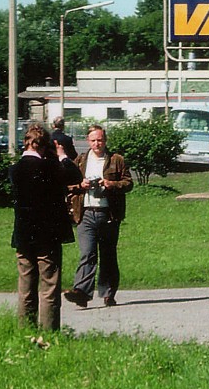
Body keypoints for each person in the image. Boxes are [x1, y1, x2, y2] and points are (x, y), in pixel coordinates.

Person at [11, 123, 81, 329]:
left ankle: (25, 329)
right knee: (49, 285)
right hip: (47, 235)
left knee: (26, 286)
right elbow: (75, 176)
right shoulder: (50, 167)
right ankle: (49, 331)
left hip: (23, 234)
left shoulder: (15, 169)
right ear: (43, 145)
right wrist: (62, 156)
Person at [64, 124, 133, 308]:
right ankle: (81, 292)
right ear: (88, 141)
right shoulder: (80, 161)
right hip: (85, 213)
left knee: (108, 254)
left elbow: (128, 183)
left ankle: (108, 293)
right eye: (93, 140)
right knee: (87, 253)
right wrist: (81, 185)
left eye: (100, 140)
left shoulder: (116, 160)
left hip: (108, 213)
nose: (97, 144)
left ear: (105, 140)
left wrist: (111, 184)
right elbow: (67, 184)